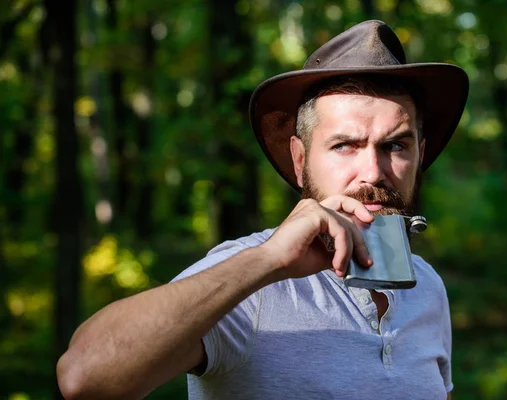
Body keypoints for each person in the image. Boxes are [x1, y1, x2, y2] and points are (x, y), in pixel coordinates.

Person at [57, 19, 468, 400]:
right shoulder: (248, 280)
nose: (373, 172)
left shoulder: (427, 287)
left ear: (420, 154)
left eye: (395, 145)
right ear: (300, 159)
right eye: (344, 145)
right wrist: (269, 260)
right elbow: (83, 378)